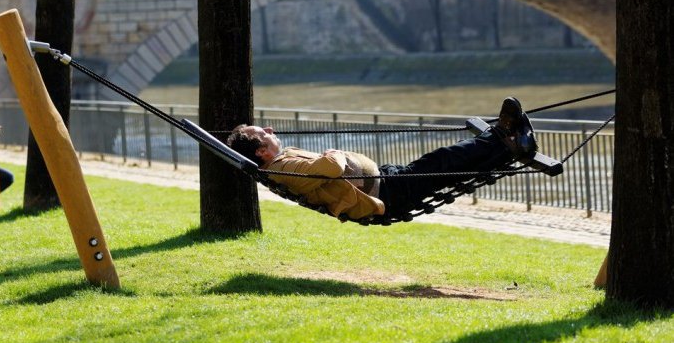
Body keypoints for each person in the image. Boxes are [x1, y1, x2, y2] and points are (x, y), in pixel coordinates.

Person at [226, 97, 538, 222]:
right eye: (263, 134)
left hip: (383, 181)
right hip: (385, 193)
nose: (269, 130)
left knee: (447, 165)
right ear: (261, 152)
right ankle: (505, 139)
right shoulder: (284, 168)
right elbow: (329, 168)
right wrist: (333, 155)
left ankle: (501, 141)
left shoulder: (279, 164)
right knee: (446, 161)